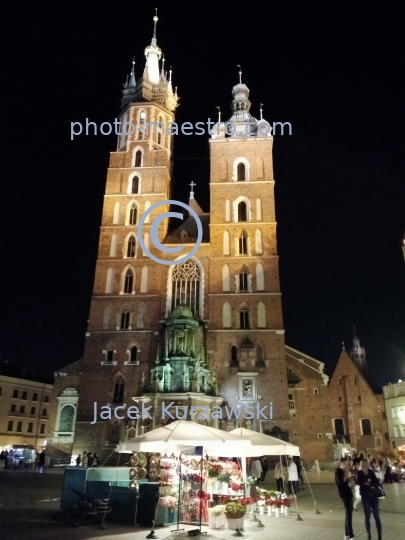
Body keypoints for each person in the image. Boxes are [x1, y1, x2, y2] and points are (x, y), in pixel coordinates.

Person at [358, 460, 382, 540]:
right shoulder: (360, 473)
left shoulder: (371, 472)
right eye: (367, 463)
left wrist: (369, 484)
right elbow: (362, 484)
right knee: (367, 516)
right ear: (363, 464)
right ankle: (369, 535)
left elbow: (376, 482)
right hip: (365, 497)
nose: (368, 464)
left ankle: (379, 535)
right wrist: (370, 485)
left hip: (374, 496)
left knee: (377, 516)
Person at [335, 457, 355, 540]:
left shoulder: (345, 471)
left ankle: (347, 534)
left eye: (347, 463)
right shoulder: (338, 471)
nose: (347, 465)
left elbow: (351, 484)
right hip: (344, 494)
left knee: (349, 514)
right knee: (348, 514)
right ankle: (350, 534)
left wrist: (351, 479)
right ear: (341, 463)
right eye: (346, 463)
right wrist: (346, 473)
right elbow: (341, 482)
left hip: (349, 494)